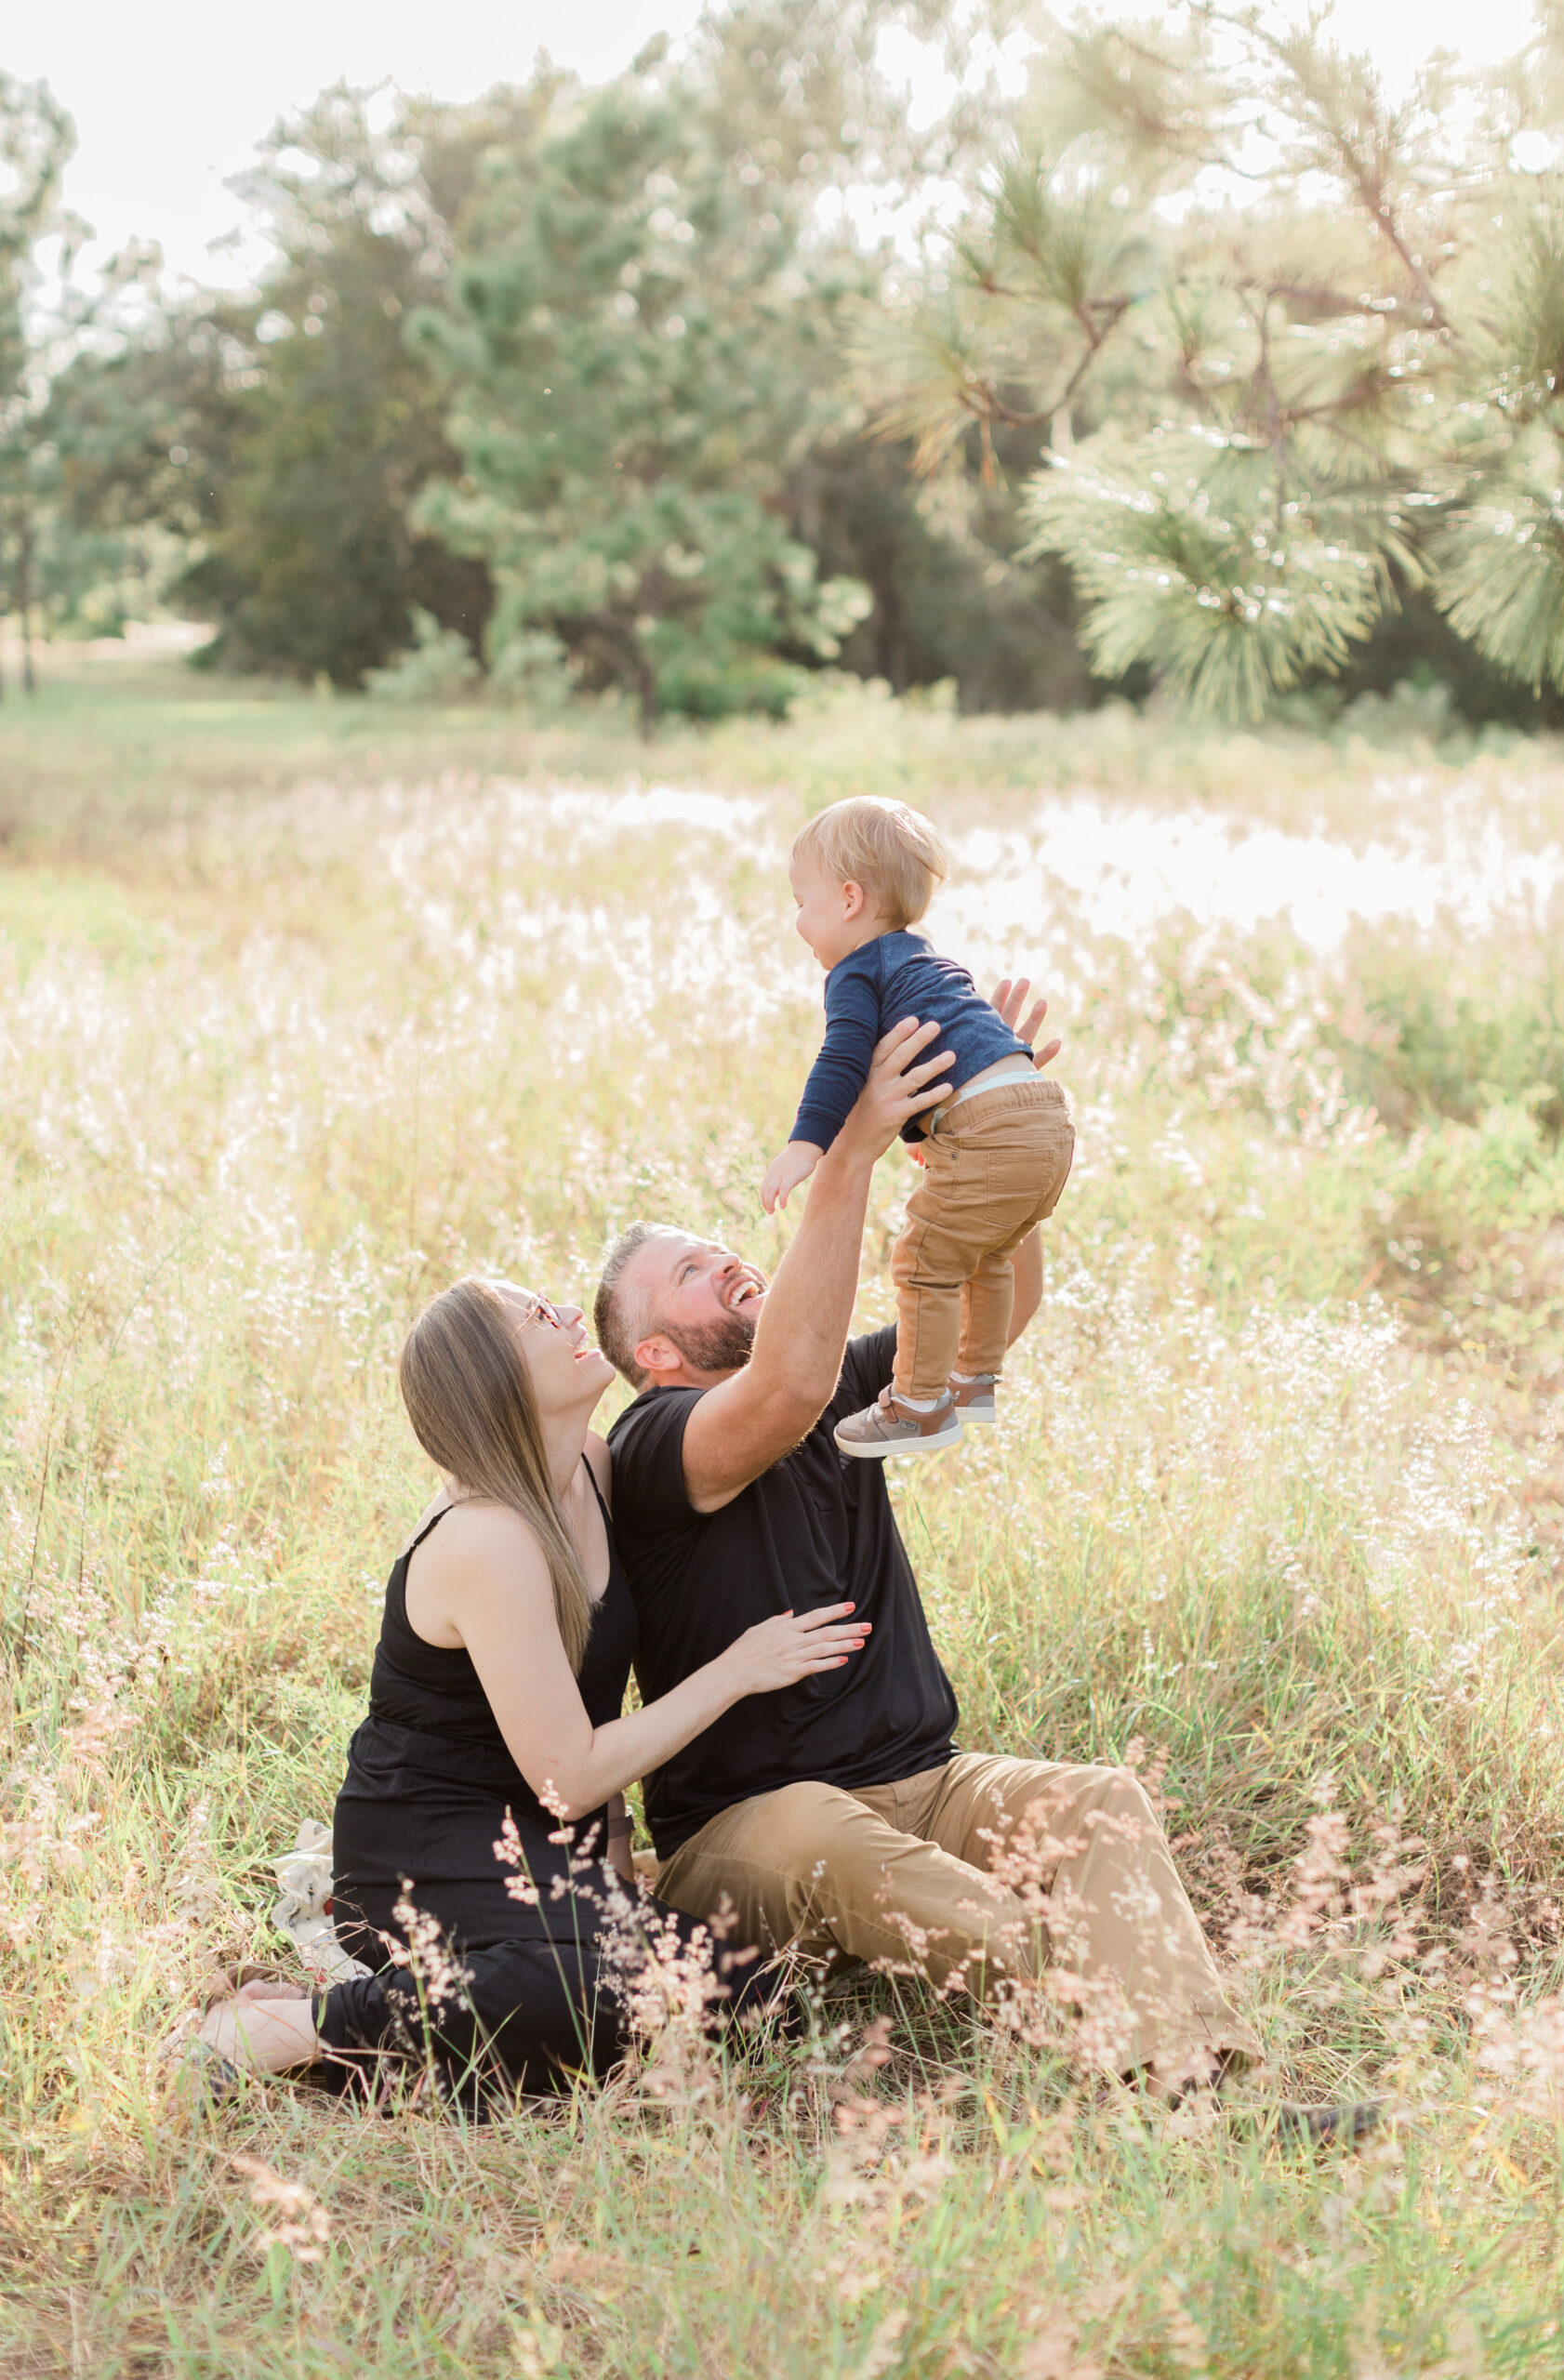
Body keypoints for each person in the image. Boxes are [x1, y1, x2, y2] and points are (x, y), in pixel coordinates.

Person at [599, 987, 1373, 2137]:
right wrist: (850, 1153)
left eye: (721, 1248)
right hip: (747, 1840)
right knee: (831, 1834)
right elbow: (788, 1382)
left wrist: (981, 1140)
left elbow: (994, 1317)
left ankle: (1206, 2088)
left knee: (1100, 1802)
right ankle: (1152, 2072)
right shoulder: (658, 1444)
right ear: (655, 1351)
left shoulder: (829, 1392)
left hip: (923, 1786)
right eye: (691, 1274)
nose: (727, 1262)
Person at [191, 1274, 872, 2104]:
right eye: (539, 1320)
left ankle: (404, 2018)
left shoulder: (588, 1465)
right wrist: (734, 1671)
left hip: (545, 1840)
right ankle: (292, 2028)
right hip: (427, 1846)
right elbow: (571, 1774)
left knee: (760, 1998)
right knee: (591, 1996)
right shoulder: (486, 1540)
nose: (569, 1317)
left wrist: (613, 1863)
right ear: (497, 1380)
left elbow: (589, 1701)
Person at [759, 798, 1074, 1460]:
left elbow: (843, 1058)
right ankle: (974, 1381)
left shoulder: (856, 972)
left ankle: (917, 1406)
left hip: (987, 1125)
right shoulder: (927, 962)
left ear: (848, 899)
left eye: (800, 903)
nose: (797, 922)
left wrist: (805, 1145)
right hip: (1044, 1111)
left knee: (924, 1262)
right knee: (983, 1253)